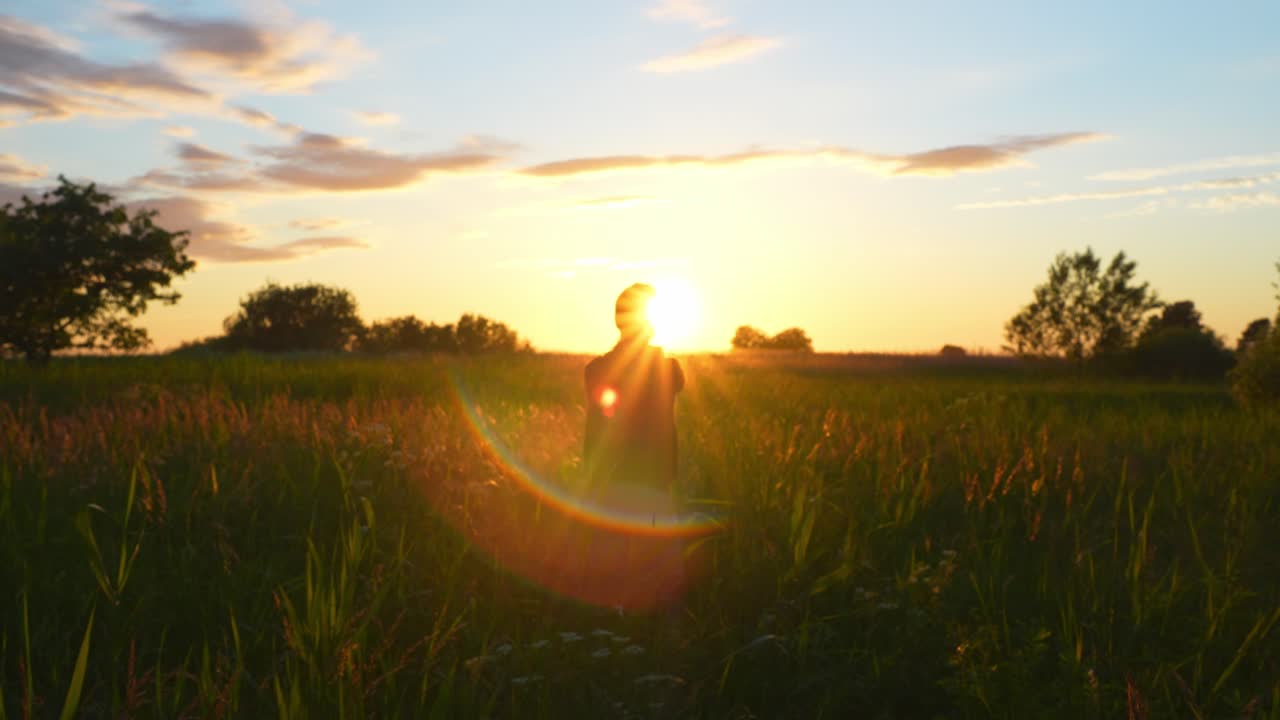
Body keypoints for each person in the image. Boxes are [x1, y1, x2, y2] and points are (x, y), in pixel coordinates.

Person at [584, 283, 685, 497]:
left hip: (610, 483)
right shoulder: (669, 369)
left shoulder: (595, 370)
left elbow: (594, 431)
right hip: (654, 483)